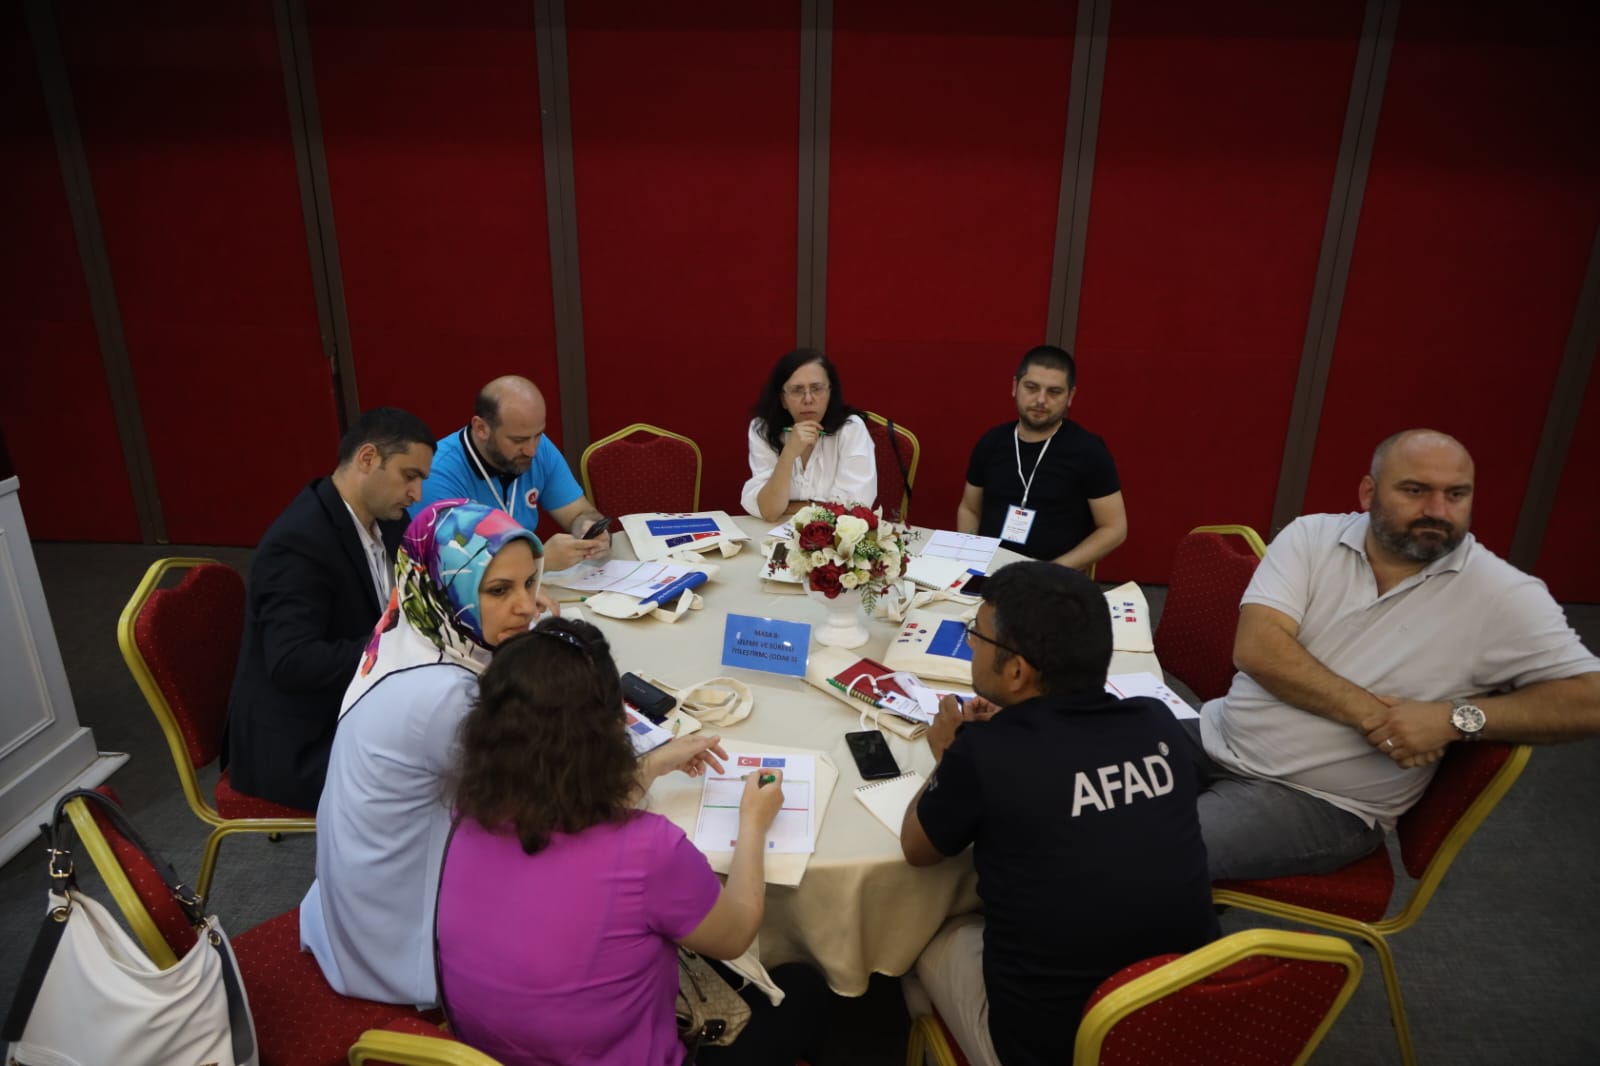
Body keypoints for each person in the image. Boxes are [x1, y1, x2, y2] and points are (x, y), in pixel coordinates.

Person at [1192, 429, 1600, 881]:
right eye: (1415, 490)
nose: (1437, 510)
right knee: (1120, 762)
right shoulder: (1312, 535)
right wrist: (1374, 715)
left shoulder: (1502, 595)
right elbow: (1258, 649)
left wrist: (1454, 719)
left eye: (1456, 494)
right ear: (1369, 493)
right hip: (1215, 735)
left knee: (1146, 848)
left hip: (1318, 801)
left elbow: (1592, 700)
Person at [436, 618, 832, 1065]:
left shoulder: (469, 813)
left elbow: (565, 809)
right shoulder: (649, 849)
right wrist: (754, 822)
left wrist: (653, 765)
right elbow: (736, 932)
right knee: (804, 988)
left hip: (487, 1054)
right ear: (613, 726)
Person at [900, 563, 1218, 1066]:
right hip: (1181, 1013)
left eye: (976, 635)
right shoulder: (1156, 722)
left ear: (1017, 671)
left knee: (918, 932)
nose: (971, 645)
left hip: (1054, 1047)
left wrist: (948, 756)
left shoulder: (983, 754)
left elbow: (917, 848)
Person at [300, 499, 557, 1006]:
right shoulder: (445, 696)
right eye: (499, 590)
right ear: (447, 588)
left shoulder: (410, 631)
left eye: (530, 583)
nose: (528, 607)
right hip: (397, 937)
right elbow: (549, 797)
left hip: (361, 891)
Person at [227, 407, 435, 811]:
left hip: (357, 703)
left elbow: (425, 583)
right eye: (409, 476)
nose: (417, 494)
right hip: (302, 740)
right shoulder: (298, 543)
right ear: (367, 458)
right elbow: (293, 662)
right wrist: (399, 649)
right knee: (442, 770)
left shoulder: (389, 519)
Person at [417, 375, 611, 571]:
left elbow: (578, 512)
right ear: (481, 429)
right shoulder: (435, 474)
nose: (532, 450)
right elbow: (451, 570)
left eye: (538, 435)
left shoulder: (539, 448)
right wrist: (539, 561)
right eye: (518, 440)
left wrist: (588, 528)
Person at [957, 345, 1126, 571]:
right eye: (1032, 387)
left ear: (1070, 396)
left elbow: (1114, 529)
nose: (1041, 400)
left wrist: (1051, 571)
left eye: (1054, 392)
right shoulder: (991, 442)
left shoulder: (1089, 451)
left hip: (1053, 578)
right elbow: (970, 508)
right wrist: (969, 561)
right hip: (988, 573)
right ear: (1015, 387)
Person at [741, 348, 876, 521]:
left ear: (830, 393)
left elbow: (855, 510)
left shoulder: (851, 429)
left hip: (834, 534)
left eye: (817, 389)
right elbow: (769, 510)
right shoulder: (763, 429)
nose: (808, 399)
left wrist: (792, 506)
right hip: (775, 532)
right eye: (797, 390)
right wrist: (788, 454)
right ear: (783, 399)